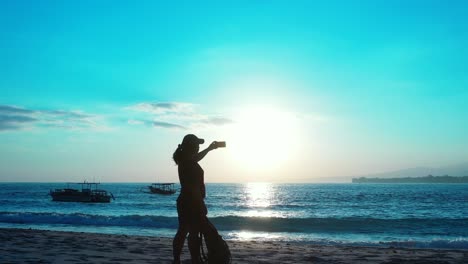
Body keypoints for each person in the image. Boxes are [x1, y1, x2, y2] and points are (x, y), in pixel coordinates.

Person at [172, 134, 220, 264]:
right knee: (191, 232)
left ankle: (179, 260)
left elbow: (196, 158)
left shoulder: (186, 161)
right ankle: (193, 260)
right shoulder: (188, 163)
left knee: (184, 231)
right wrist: (200, 204)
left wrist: (209, 149)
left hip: (185, 200)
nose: (198, 147)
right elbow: (193, 188)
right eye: (197, 145)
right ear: (190, 146)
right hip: (191, 201)